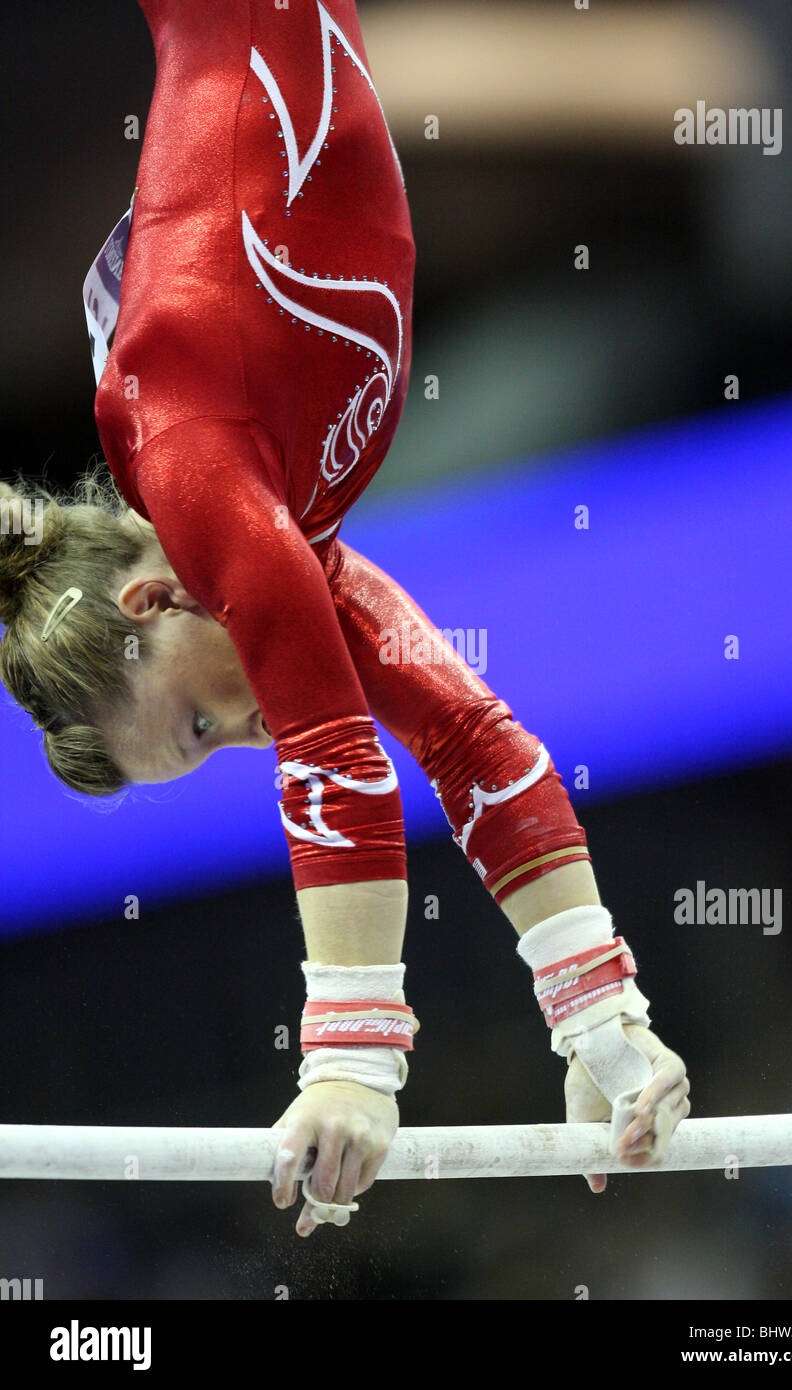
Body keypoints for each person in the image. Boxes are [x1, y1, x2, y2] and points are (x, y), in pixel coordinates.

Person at [0, 0, 689, 1238]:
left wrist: (350, 1063)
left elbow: (337, 760)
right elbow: (470, 741)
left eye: (201, 722)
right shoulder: (278, 521)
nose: (247, 732)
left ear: (148, 596)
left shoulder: (194, 458)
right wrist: (602, 1025)